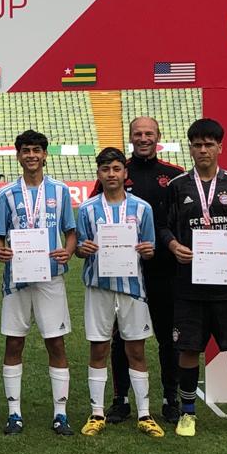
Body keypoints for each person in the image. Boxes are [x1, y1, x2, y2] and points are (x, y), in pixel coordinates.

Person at [161, 118, 227, 438]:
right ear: (190, 148)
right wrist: (173, 245)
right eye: (197, 145)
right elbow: (163, 227)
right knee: (189, 348)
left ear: (220, 147)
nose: (203, 150)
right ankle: (187, 413)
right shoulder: (177, 187)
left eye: (209, 144)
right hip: (189, 284)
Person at [0, 130, 77, 436]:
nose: (31, 155)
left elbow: (70, 232)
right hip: (17, 278)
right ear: (19, 156)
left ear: (44, 155)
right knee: (14, 341)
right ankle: (14, 413)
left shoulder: (60, 190)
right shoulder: (6, 194)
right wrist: (0, 251)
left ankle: (60, 414)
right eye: (26, 150)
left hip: (50, 277)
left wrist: (68, 251)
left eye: (36, 150)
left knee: (56, 341)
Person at [75, 148, 164, 438]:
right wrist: (83, 249)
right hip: (98, 287)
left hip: (131, 288)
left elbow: (150, 248)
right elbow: (80, 248)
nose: (111, 174)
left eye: (116, 169)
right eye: (105, 169)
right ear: (98, 174)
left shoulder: (142, 208)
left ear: (125, 173)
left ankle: (145, 414)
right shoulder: (87, 209)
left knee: (136, 349)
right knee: (98, 348)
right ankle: (96, 413)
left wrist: (148, 251)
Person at [101, 117, 185, 425]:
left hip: (164, 270)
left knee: (168, 337)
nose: (143, 138)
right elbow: (99, 213)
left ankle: (170, 399)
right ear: (130, 137)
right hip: (123, 272)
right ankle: (121, 400)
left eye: (149, 133)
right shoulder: (119, 171)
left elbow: (180, 221)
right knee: (122, 338)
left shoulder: (174, 175)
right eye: (138, 133)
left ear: (158, 136)